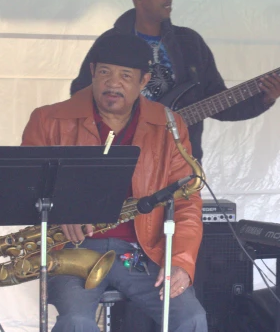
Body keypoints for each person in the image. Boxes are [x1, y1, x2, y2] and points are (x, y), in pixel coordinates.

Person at [22, 32, 207, 332]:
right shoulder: (47, 120)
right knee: (76, 324)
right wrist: (61, 212)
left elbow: (186, 202)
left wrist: (182, 262)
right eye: (105, 72)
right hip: (72, 250)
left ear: (143, 80)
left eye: (125, 76)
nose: (113, 83)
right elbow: (26, 190)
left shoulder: (169, 125)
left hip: (143, 253)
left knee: (191, 318)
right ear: (92, 73)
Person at [70, 0, 280, 160]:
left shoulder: (190, 42)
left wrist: (263, 99)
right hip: (123, 158)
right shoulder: (111, 42)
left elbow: (218, 102)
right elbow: (80, 95)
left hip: (180, 162)